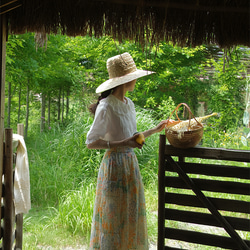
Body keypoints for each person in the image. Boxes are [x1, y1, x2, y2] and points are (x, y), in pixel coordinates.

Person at [86, 52, 170, 250]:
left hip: (130, 165)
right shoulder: (106, 106)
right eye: (134, 77)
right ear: (126, 80)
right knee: (113, 216)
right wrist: (125, 142)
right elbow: (91, 142)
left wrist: (154, 130)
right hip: (113, 166)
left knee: (130, 213)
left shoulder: (128, 104)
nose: (136, 81)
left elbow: (133, 136)